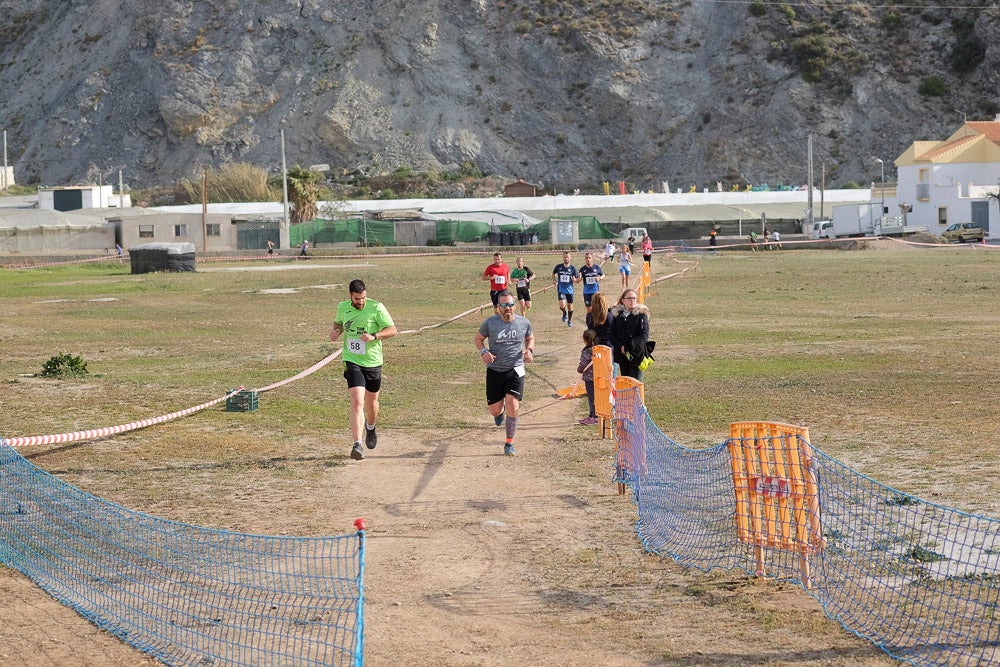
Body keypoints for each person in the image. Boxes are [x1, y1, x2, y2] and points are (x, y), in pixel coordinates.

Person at [329, 279, 398, 461]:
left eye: (363, 298)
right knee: (357, 401)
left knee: (371, 402)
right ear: (350, 296)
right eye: (357, 299)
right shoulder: (342, 307)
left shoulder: (377, 308)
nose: (361, 302)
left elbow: (392, 330)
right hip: (352, 359)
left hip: (373, 360)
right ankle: (357, 444)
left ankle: (371, 426)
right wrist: (336, 331)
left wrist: (374, 336)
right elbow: (338, 323)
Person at [474, 290, 534, 456]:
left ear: (514, 305)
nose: (507, 308)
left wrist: (529, 350)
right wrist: (484, 351)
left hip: (516, 369)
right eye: (503, 305)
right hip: (495, 369)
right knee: (495, 410)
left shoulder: (524, 322)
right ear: (498, 307)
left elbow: (530, 338)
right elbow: (478, 339)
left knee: (513, 404)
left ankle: (509, 443)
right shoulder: (490, 323)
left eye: (510, 304)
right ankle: (499, 414)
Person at [609, 288, 650, 382]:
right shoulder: (617, 315)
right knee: (626, 381)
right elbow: (612, 334)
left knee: (636, 382)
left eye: (634, 298)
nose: (632, 300)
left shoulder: (641, 315)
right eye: (629, 298)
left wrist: (628, 347)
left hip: (637, 354)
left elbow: (644, 336)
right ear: (623, 300)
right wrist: (621, 347)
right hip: (622, 355)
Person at [551, 251, 580, 327]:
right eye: (564, 257)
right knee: (562, 304)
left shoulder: (572, 268)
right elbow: (553, 273)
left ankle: (569, 321)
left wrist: (575, 280)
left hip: (569, 290)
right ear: (563, 258)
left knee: (570, 306)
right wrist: (554, 280)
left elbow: (577, 279)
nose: (566, 258)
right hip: (561, 289)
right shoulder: (559, 267)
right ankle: (564, 312)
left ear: (570, 258)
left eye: (567, 257)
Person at [577, 329, 598, 425]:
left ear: (585, 339)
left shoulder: (586, 351)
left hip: (590, 379)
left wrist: (579, 370)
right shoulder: (599, 350)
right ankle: (592, 415)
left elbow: (583, 364)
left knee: (591, 397)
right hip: (599, 377)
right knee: (597, 397)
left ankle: (594, 416)